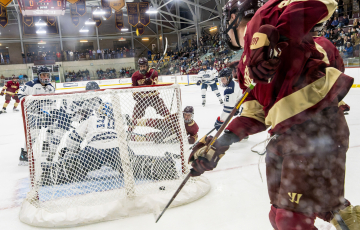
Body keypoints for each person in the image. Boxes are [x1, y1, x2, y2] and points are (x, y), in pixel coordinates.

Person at [189, 0, 356, 229]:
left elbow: (324, 4)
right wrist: (219, 142)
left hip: (315, 127)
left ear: (234, 18)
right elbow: (255, 114)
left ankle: (338, 210)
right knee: (277, 215)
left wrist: (279, 36)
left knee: (291, 220)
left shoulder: (266, 14)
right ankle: (341, 212)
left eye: (227, 22)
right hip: (287, 136)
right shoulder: (244, 66)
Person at [18, 66, 55, 166]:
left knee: (53, 128)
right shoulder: (31, 85)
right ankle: (24, 154)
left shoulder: (51, 87)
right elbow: (20, 95)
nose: (46, 77)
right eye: (43, 75)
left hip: (46, 113)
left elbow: (53, 100)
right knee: (34, 134)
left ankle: (46, 145)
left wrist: (53, 110)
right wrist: (31, 105)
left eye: (47, 75)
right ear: (38, 75)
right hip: (33, 114)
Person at [126, 106, 199, 144]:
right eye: (185, 114)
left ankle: (131, 137)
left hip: (170, 135)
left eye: (188, 115)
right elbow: (169, 117)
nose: (186, 117)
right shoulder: (179, 115)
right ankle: (133, 122)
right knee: (153, 121)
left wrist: (188, 140)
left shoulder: (194, 127)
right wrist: (167, 118)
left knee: (150, 136)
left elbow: (194, 138)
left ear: (192, 115)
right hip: (168, 125)